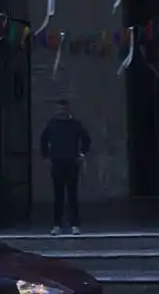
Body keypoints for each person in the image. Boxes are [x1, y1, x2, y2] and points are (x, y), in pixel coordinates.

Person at [40, 98, 91, 234]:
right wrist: (46, 157)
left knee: (72, 194)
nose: (61, 111)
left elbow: (86, 139)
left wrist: (81, 154)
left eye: (63, 108)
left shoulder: (75, 124)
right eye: (59, 108)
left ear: (67, 109)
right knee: (58, 195)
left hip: (72, 162)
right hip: (57, 162)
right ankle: (57, 224)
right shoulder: (51, 125)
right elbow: (43, 142)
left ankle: (75, 224)